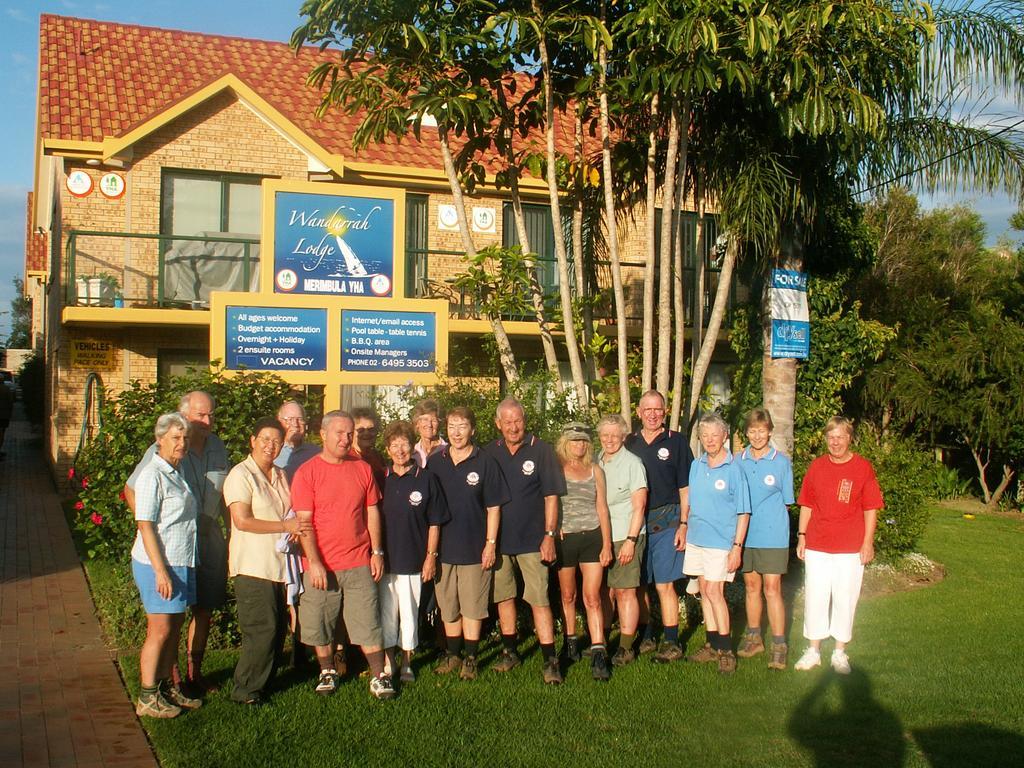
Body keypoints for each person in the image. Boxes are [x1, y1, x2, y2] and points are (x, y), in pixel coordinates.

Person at [125, 390, 229, 693]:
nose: (207, 421)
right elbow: (132, 490)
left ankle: (195, 672)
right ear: (183, 415)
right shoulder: (165, 449)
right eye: (201, 415)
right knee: (172, 614)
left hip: (207, 537)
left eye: (211, 414)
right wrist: (154, 529)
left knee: (204, 608)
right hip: (175, 542)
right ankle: (171, 678)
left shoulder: (218, 446)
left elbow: (225, 494)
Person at [291, 410, 395, 699]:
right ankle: (326, 670)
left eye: (349, 433)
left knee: (367, 620)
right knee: (321, 620)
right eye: (339, 432)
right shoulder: (307, 473)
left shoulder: (360, 468)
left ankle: (379, 675)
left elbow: (371, 510)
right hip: (321, 564)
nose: (346, 438)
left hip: (359, 560)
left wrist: (377, 551)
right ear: (322, 434)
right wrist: (314, 562)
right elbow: (304, 522)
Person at [223, 417, 311, 705]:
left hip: (279, 565)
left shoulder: (281, 474)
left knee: (275, 629)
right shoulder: (241, 475)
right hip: (252, 564)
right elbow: (243, 520)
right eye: (265, 439)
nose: (270, 446)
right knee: (261, 628)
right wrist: (286, 527)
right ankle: (246, 690)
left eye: (276, 441)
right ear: (252, 441)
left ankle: (263, 684)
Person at [485, 398, 567, 684]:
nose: (512, 426)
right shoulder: (489, 453)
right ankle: (510, 652)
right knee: (504, 597)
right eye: (506, 421)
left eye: (517, 420)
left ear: (525, 420)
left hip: (534, 541)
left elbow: (551, 496)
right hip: (500, 543)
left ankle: (550, 660)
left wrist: (549, 535)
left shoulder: (541, 450)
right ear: (498, 424)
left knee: (539, 599)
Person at [794, 416, 883, 675]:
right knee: (816, 595)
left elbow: (871, 508)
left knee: (845, 597)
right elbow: (807, 504)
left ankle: (840, 652)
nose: (835, 442)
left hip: (850, 548)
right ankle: (813, 651)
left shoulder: (862, 468)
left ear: (849, 439)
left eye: (840, 437)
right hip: (818, 544)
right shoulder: (817, 466)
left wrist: (868, 543)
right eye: (831, 437)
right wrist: (802, 536)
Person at [427, 406, 508, 680]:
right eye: (451, 426)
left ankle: (471, 658)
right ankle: (453, 654)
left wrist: (491, 543)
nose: (456, 432)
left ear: (473, 429)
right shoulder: (435, 461)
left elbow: (494, 507)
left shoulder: (484, 461)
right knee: (448, 604)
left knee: (473, 605)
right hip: (443, 549)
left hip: (475, 547)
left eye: (462, 426)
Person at [130, 412, 202, 718]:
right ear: (159, 440)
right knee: (159, 630)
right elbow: (145, 525)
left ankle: (165, 687)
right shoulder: (152, 474)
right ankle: (147, 696)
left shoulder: (178, 469)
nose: (181, 443)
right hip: (157, 564)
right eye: (175, 438)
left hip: (180, 560)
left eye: (184, 438)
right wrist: (160, 571)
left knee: (173, 627)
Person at [378, 420, 449, 682]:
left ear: (413, 447)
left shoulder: (427, 479)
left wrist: (430, 557)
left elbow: (435, 522)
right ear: (387, 449)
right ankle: (388, 661)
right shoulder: (380, 479)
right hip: (385, 562)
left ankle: (407, 661)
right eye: (394, 445)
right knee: (386, 613)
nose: (400, 450)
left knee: (409, 612)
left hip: (413, 560)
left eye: (405, 444)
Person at [625, 390, 692, 663]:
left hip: (667, 521)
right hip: (636, 524)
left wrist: (684, 524)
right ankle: (647, 634)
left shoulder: (676, 442)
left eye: (658, 409)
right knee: (640, 584)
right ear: (639, 412)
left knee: (665, 585)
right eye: (647, 409)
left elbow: (685, 488)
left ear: (664, 411)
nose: (652, 414)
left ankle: (672, 641)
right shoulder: (629, 442)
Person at [681, 412, 751, 674]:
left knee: (714, 593)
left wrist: (737, 547)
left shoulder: (734, 470)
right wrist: (684, 525)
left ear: (725, 437)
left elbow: (744, 512)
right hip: (696, 539)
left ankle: (726, 650)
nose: (710, 440)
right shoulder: (697, 465)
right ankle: (712, 644)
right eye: (705, 435)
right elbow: (690, 500)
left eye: (715, 435)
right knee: (703, 592)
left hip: (722, 542)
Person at [736, 408, 795, 670]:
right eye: (752, 430)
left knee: (772, 589)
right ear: (746, 432)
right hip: (745, 535)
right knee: (751, 587)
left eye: (761, 430)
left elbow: (786, 504)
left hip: (772, 536)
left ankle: (779, 644)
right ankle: (754, 637)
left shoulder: (781, 462)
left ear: (769, 431)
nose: (757, 435)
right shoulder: (738, 460)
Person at [555, 422, 613, 680]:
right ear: (565, 443)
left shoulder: (595, 470)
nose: (579, 445)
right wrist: (553, 528)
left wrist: (607, 543)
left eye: (583, 441)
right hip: (565, 538)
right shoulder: (557, 469)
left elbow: (602, 507)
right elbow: (550, 502)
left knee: (592, 597)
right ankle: (570, 642)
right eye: (574, 440)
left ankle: (599, 651)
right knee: (568, 595)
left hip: (592, 537)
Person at [596, 414, 648, 667]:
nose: (609, 440)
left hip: (625, 534)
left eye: (615, 436)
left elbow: (639, 507)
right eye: (605, 435)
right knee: (604, 591)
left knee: (626, 591)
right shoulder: (596, 460)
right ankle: (602, 641)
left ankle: (626, 647)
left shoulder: (632, 463)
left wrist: (630, 540)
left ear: (623, 437)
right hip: (601, 537)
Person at [275, 400, 320, 483]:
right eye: (290, 419)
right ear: (279, 422)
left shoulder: (316, 453)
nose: (295, 424)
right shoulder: (271, 451)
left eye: (299, 419)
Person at [352, 405, 387, 491]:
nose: (366, 433)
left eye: (371, 429)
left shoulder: (377, 457)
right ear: (351, 432)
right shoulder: (348, 458)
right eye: (360, 430)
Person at [411, 398, 446, 468]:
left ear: (439, 423)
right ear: (417, 423)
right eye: (425, 420)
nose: (429, 425)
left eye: (433, 420)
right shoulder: (411, 453)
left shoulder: (448, 451)